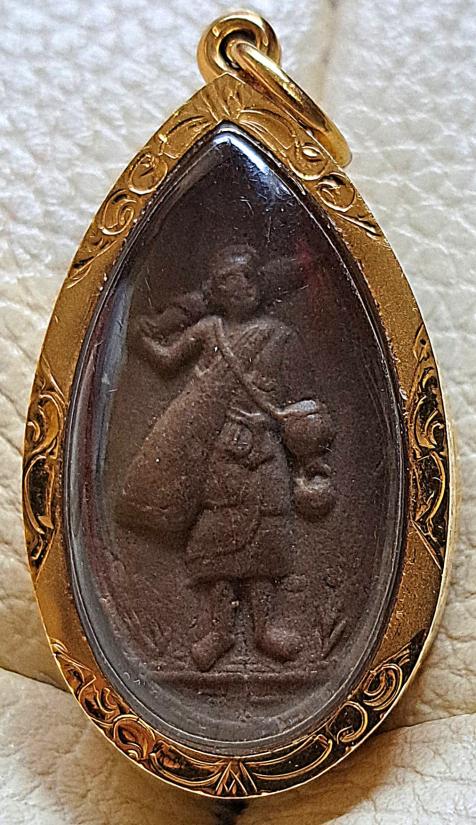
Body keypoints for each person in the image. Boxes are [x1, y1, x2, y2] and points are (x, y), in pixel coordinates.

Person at [121, 245, 335, 672]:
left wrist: (309, 450)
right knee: (216, 535)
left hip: (267, 449)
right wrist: (139, 337)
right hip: (222, 448)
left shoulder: (280, 337)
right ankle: (219, 631)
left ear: (260, 283)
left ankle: (264, 629)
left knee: (266, 538)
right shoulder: (209, 330)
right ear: (216, 291)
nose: (242, 288)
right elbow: (167, 359)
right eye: (230, 281)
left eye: (249, 278)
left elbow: (301, 400)